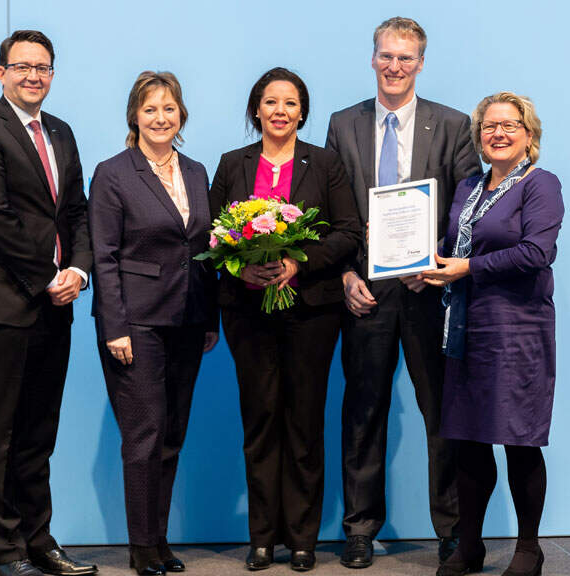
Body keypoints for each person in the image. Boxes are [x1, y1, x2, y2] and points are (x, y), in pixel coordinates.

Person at [325, 16, 482, 570]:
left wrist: (436, 265)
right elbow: (329, 212)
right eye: (386, 56)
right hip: (364, 293)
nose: (395, 67)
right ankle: (360, 528)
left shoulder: (454, 124)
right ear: (372, 58)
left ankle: (452, 531)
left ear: (420, 63)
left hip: (428, 293)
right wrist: (345, 274)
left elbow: (468, 207)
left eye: (406, 58)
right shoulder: (342, 124)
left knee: (441, 413)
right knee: (363, 411)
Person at [0, 30, 98, 576]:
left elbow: (77, 211)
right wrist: (49, 275)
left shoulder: (61, 132)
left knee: (40, 429)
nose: (33, 76)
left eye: (43, 67)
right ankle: (7, 549)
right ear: (0, 73)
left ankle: (40, 541)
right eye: (22, 67)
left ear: (53, 75)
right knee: (2, 430)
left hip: (55, 300)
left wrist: (79, 270)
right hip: (0, 300)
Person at [210, 67, 362, 572]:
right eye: (271, 101)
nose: (280, 111)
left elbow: (346, 233)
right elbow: (212, 237)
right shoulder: (233, 164)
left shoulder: (325, 163)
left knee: (303, 424)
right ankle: (261, 539)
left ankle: (302, 539)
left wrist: (299, 262)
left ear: (302, 112)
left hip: (311, 313)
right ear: (256, 109)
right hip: (248, 315)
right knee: (259, 422)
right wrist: (242, 263)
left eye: (290, 103)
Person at [419, 92, 563, 576]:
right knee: (468, 440)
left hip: (517, 330)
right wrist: (420, 265)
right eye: (489, 126)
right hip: (465, 326)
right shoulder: (468, 188)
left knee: (520, 439)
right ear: (479, 136)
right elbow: (451, 247)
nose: (498, 134)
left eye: (510, 125)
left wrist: (466, 268)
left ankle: (528, 548)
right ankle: (471, 545)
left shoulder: (541, 185)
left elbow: (536, 253)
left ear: (529, 135)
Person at [87, 71, 219, 576]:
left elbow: (203, 250)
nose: (160, 118)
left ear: (180, 115)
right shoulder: (113, 173)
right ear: (134, 117)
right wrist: (114, 326)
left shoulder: (197, 171)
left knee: (171, 434)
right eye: (150, 110)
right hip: (135, 323)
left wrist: (209, 318)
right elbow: (104, 256)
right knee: (143, 436)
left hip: (188, 319)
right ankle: (141, 547)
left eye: (169, 109)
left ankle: (159, 540)